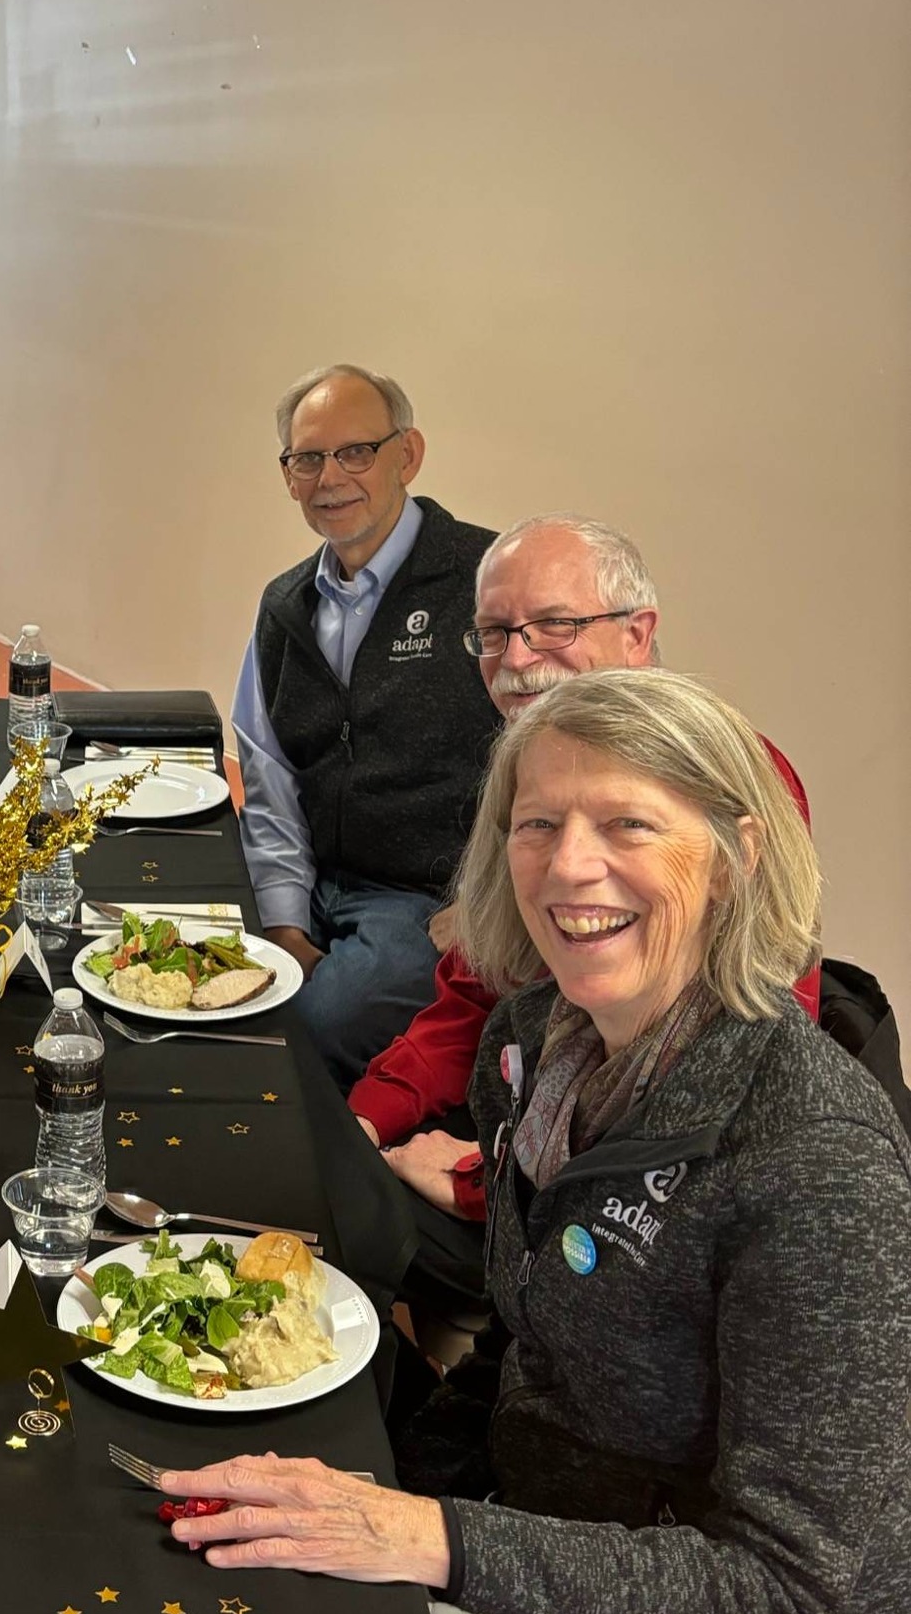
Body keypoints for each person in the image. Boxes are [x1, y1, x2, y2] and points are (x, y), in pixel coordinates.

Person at [166, 670, 911, 1614]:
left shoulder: (817, 1165)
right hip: (566, 1548)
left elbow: (783, 1593)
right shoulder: (538, 1047)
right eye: (536, 822)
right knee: (242, 1494)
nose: (572, 868)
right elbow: (532, 1340)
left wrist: (430, 1541)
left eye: (629, 825)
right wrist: (404, 1483)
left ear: (739, 856)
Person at [347, 516, 817, 1319]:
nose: (519, 658)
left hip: (650, 1189)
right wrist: (366, 1113)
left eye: (555, 624)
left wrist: (486, 1178)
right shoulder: (529, 772)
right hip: (532, 1112)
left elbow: (740, 1063)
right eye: (495, 632)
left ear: (638, 633)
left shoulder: (734, 779)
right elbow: (474, 993)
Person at [231, 363, 502, 1085]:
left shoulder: (487, 582)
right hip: (315, 877)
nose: (330, 478)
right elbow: (270, 779)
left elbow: (559, 758)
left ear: (406, 455)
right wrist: (285, 926)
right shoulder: (284, 605)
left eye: (357, 452)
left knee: (319, 1023)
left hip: (424, 899)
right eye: (307, 459)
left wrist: (485, 901)